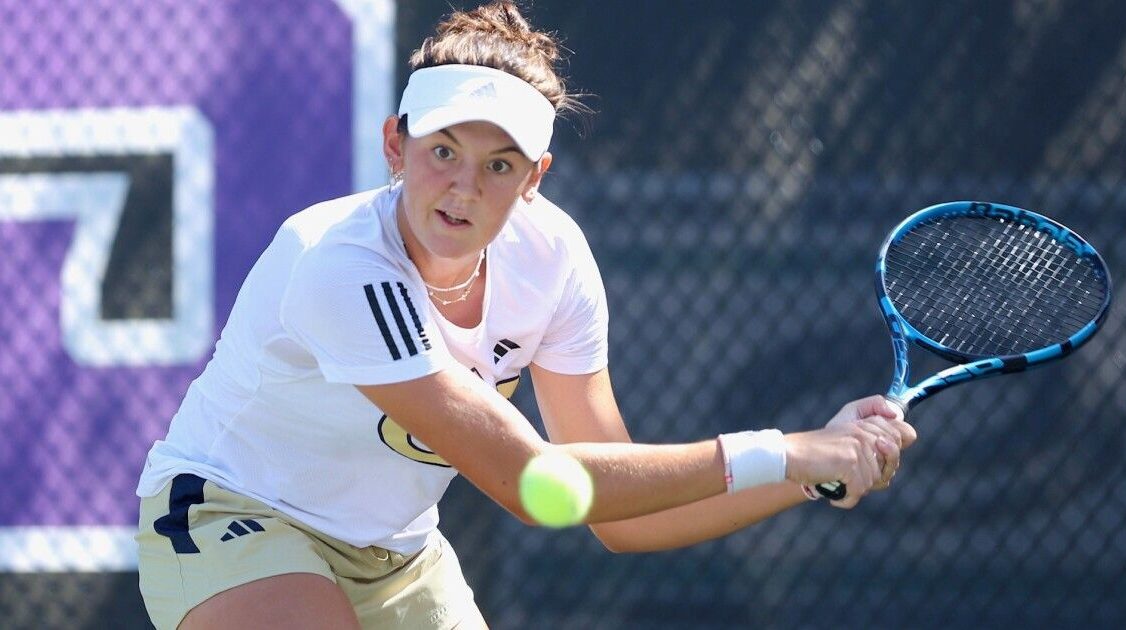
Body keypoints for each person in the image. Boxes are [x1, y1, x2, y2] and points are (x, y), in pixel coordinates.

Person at [135, 2, 917, 628]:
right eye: (442, 151)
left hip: (396, 556)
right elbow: (535, 483)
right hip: (233, 518)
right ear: (394, 146)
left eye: (498, 164)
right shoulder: (338, 262)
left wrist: (811, 471)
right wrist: (786, 448)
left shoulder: (553, 261)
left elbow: (621, 519)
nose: (463, 186)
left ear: (535, 176)